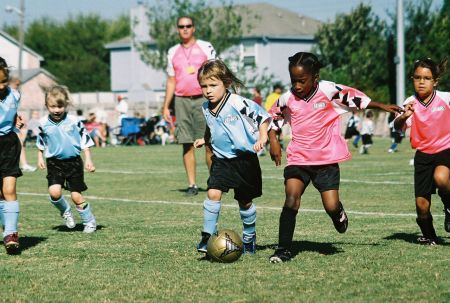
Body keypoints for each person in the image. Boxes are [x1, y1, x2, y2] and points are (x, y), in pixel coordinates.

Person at [267, 52, 403, 263]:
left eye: (302, 81)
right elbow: (272, 118)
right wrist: (274, 141)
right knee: (291, 200)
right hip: (299, 158)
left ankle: (338, 212)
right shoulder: (287, 98)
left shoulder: (328, 91)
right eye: (293, 80)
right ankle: (283, 249)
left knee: (330, 206)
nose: (297, 85)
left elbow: (355, 98)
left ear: (315, 77)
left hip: (326, 161)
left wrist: (382, 106)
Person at [193, 59, 270, 254]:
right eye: (204, 86)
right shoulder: (205, 107)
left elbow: (261, 117)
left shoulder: (236, 102)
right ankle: (207, 236)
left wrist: (262, 137)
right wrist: (205, 140)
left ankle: (249, 236)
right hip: (222, 160)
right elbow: (212, 128)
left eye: (213, 85)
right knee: (213, 192)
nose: (208, 90)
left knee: (245, 202)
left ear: (226, 83)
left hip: (245, 161)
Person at [394, 57, 450, 245]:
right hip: (423, 155)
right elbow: (397, 127)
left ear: (435, 81)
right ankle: (429, 236)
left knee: (441, 178)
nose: (421, 82)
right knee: (422, 205)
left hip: (445, 149)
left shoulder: (446, 98)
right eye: (417, 77)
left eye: (426, 78)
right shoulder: (410, 102)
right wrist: (404, 116)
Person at [161, 16, 216, 196]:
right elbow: (171, 80)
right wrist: (165, 106)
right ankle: (192, 184)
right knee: (186, 143)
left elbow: (216, 72)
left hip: (203, 98)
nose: (185, 29)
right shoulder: (172, 51)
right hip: (181, 100)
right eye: (181, 26)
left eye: (188, 26)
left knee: (209, 143)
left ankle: (214, 181)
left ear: (194, 28)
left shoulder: (205, 46)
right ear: (177, 29)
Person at [36, 85, 97, 233]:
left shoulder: (74, 121)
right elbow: (41, 141)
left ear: (66, 105)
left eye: (60, 106)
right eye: (53, 106)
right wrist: (40, 157)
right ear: (46, 106)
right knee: (54, 192)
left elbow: (84, 140)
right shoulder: (43, 123)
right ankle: (65, 211)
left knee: (76, 196)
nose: (57, 110)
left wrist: (88, 159)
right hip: (54, 162)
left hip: (73, 162)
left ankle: (89, 222)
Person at [0, 57, 23, 254]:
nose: (1, 86)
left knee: (9, 188)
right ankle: (5, 223)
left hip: (8, 144)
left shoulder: (14, 94)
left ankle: (11, 233)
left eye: (3, 81)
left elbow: (14, 112)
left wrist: (17, 120)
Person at [9, 76, 36, 172]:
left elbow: (12, 110)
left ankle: (24, 164)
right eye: (17, 84)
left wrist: (18, 117)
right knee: (19, 140)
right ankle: (23, 164)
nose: (18, 86)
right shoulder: (9, 93)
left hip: (11, 123)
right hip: (6, 124)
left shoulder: (15, 93)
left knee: (20, 140)